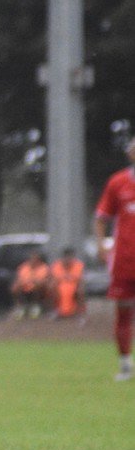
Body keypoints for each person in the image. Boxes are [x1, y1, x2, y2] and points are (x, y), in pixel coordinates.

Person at [93, 137, 135, 381]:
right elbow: (101, 217)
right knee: (124, 314)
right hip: (124, 261)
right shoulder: (118, 182)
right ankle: (125, 364)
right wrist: (101, 246)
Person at [10, 251, 51, 320]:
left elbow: (42, 280)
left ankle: (35, 306)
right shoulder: (23, 267)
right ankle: (21, 307)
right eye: (31, 258)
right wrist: (24, 282)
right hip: (25, 286)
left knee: (37, 286)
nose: (33, 260)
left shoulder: (44, 267)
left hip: (39, 288)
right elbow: (20, 279)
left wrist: (32, 281)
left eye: (35, 258)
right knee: (15, 287)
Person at [50, 247, 85, 319]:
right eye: (66, 257)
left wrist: (67, 279)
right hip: (60, 286)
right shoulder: (56, 265)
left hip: (74, 286)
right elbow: (55, 278)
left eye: (70, 257)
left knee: (80, 290)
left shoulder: (79, 265)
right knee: (52, 288)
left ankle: (80, 313)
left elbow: (79, 279)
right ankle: (56, 310)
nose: (68, 260)